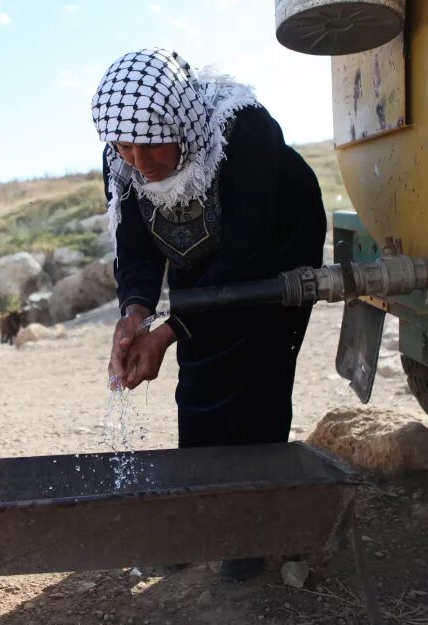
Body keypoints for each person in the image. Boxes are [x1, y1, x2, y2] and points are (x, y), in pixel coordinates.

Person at [92, 49, 326, 579]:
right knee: (198, 377)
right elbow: (135, 247)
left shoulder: (245, 134)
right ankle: (195, 518)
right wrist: (135, 313)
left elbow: (248, 250)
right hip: (198, 247)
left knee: (261, 373)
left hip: (278, 249)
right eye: (124, 146)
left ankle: (249, 532)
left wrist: (173, 328)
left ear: (181, 123)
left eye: (150, 144)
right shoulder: (123, 158)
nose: (139, 161)